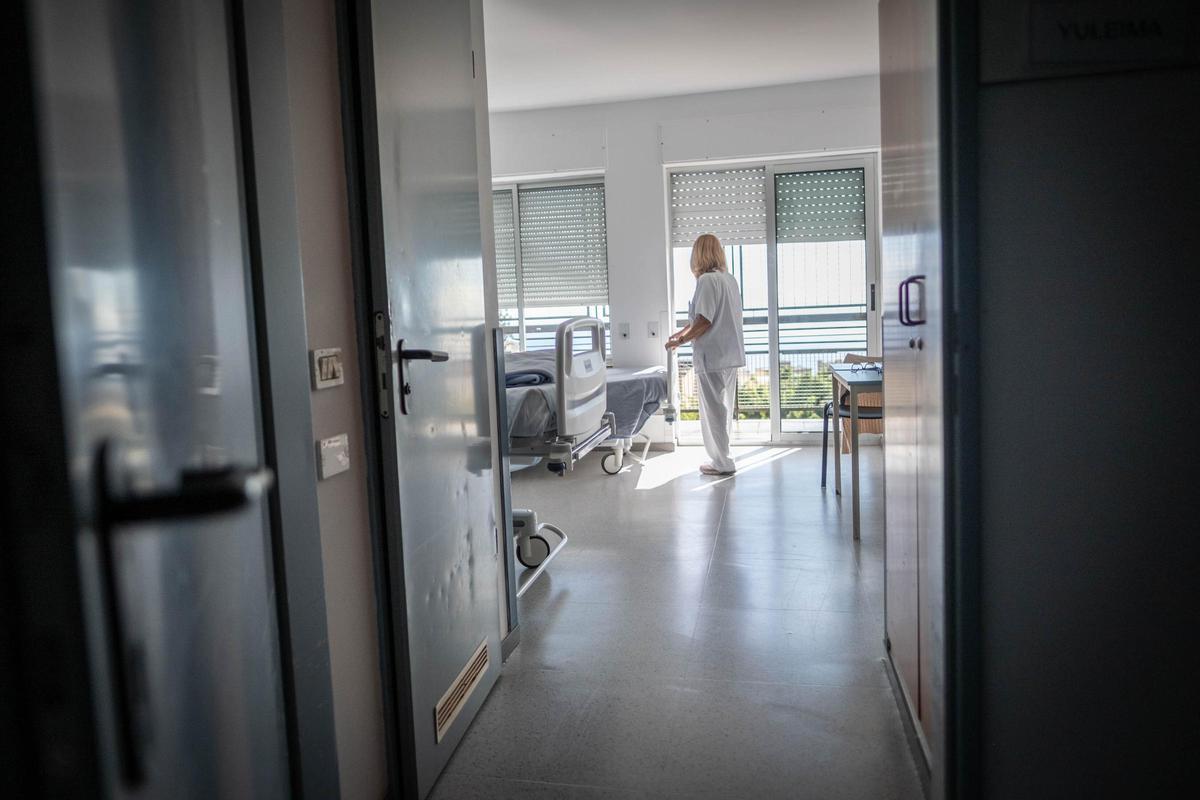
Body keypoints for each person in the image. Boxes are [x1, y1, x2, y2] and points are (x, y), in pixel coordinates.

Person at [666, 233, 745, 475]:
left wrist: (680, 340)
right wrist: (679, 334)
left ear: (698, 255)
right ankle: (724, 457)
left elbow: (704, 322)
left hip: (713, 355)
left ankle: (722, 462)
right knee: (723, 410)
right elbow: (699, 318)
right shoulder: (728, 280)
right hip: (729, 355)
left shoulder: (707, 281)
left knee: (714, 411)